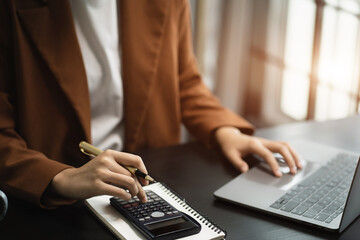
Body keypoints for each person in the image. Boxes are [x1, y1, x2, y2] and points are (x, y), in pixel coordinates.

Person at [0, 0, 301, 208]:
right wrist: (61, 177)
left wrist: (227, 132)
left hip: (148, 182)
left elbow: (183, 80)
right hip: (52, 198)